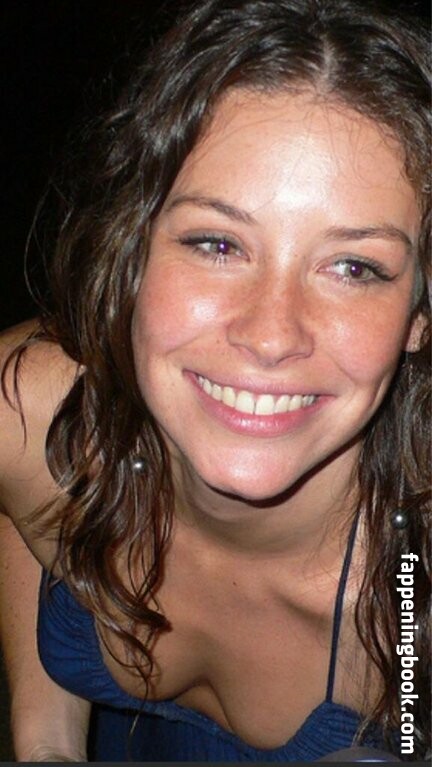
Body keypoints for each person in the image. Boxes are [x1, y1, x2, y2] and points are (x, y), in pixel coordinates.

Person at [0, 0, 430, 761]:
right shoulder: (29, 404)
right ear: (132, 252)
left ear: (419, 318)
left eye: (353, 267)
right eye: (217, 243)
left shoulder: (412, 584)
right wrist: (45, 739)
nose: (271, 334)